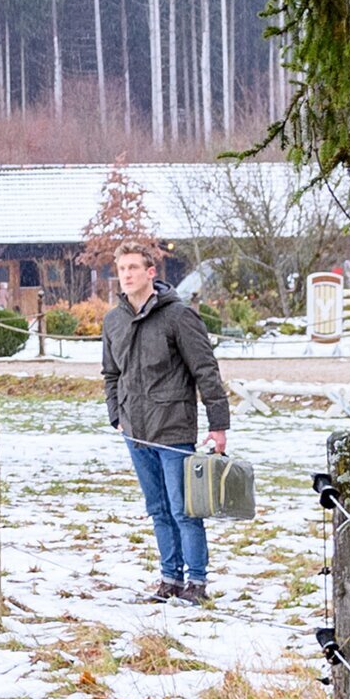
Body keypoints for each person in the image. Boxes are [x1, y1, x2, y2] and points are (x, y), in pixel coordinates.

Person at [100, 240, 232, 603]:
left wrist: (218, 425)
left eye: (134, 268)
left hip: (173, 428)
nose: (126, 275)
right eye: (122, 268)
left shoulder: (178, 315)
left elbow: (206, 370)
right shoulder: (114, 321)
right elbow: (111, 374)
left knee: (183, 510)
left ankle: (197, 583)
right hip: (135, 431)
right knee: (157, 510)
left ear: (150, 272)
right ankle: (169, 579)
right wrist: (117, 417)